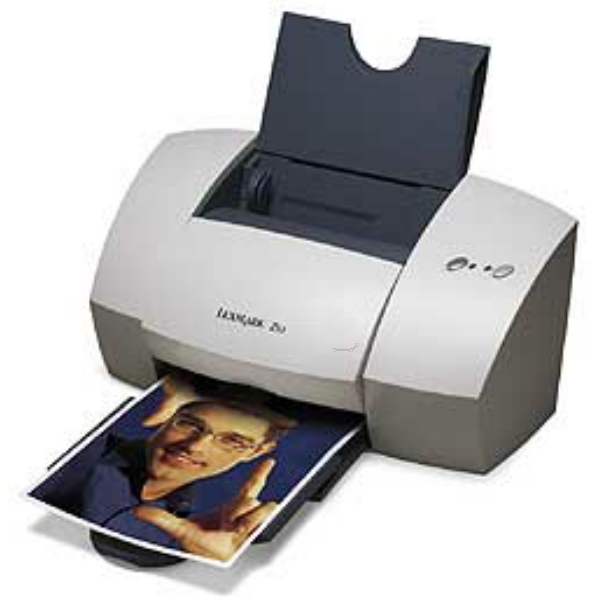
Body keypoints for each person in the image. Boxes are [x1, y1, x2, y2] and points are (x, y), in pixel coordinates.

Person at [80, 379, 296, 561]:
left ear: (256, 452)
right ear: (168, 416)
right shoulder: (87, 450)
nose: (194, 446)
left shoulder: (191, 532)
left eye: (232, 441)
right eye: (190, 424)